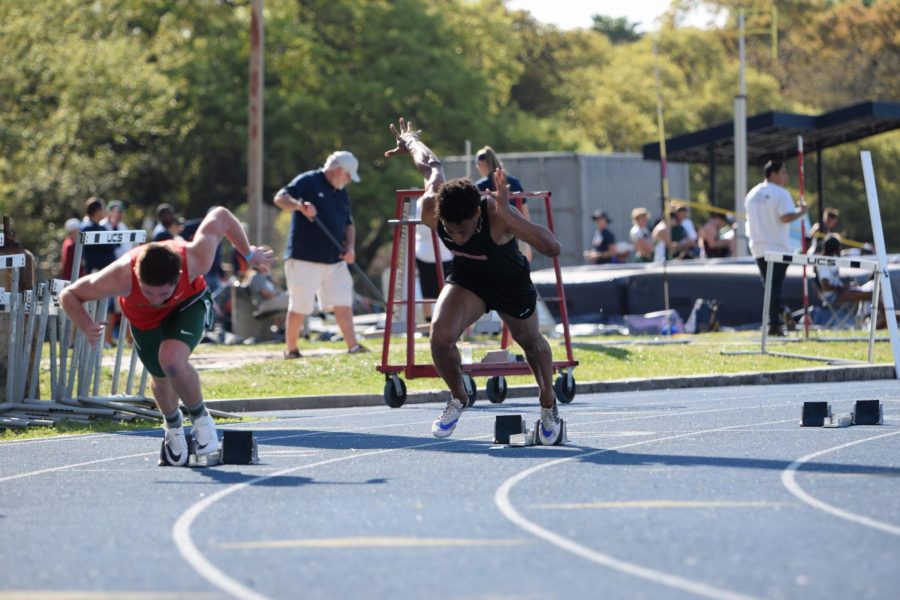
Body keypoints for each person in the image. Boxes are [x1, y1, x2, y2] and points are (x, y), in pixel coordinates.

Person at [384, 117, 566, 445]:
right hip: (470, 279)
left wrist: (511, 216)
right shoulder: (431, 206)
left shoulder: (496, 213)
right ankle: (459, 396)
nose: (457, 236)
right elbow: (430, 164)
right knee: (440, 336)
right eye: (450, 231)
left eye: (464, 230)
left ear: (478, 215)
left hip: (510, 281)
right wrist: (409, 140)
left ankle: (548, 404)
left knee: (530, 343)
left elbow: (552, 248)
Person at [59, 206, 275, 466]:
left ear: (179, 276)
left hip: (189, 304)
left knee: (171, 360)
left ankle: (202, 421)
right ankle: (173, 428)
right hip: (143, 322)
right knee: (160, 378)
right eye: (149, 293)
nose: (157, 300)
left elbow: (220, 215)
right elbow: (69, 295)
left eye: (163, 293)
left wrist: (249, 252)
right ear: (137, 277)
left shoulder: (196, 258)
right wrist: (86, 324)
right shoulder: (120, 275)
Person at [273, 150, 369, 358]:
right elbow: (280, 198)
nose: (349, 180)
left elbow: (348, 224)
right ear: (337, 171)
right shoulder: (308, 181)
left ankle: (353, 346)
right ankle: (291, 349)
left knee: (343, 301)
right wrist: (300, 206)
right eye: (348, 175)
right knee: (300, 305)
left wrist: (350, 248)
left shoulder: (341, 191)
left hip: (335, 258)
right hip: (304, 257)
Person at [745, 160, 808, 336]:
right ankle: (775, 321)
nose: (785, 176)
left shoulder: (752, 194)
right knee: (774, 286)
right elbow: (785, 217)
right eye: (783, 172)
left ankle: (778, 314)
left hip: (758, 246)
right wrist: (801, 211)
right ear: (773, 173)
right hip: (777, 247)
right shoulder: (780, 193)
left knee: (769, 286)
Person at [474, 146, 532, 261]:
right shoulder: (514, 182)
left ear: (480, 163)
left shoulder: (480, 186)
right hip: (518, 234)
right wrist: (527, 241)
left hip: (494, 238)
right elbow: (525, 213)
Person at [816, 234, 885, 328]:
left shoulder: (831, 260)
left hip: (837, 292)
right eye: (838, 247)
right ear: (834, 248)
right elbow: (826, 286)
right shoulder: (824, 263)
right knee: (872, 294)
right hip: (832, 296)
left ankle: (873, 320)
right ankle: (884, 320)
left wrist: (846, 286)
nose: (840, 249)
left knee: (866, 292)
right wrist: (841, 287)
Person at [415, 222, 453, 322]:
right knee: (448, 290)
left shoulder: (418, 206)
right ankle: (442, 321)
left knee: (427, 292)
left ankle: (431, 322)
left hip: (425, 253)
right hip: (442, 254)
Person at [80, 198, 118, 275]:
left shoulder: (101, 227)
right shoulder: (88, 228)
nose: (105, 211)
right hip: (95, 273)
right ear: (97, 211)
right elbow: (108, 247)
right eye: (103, 209)